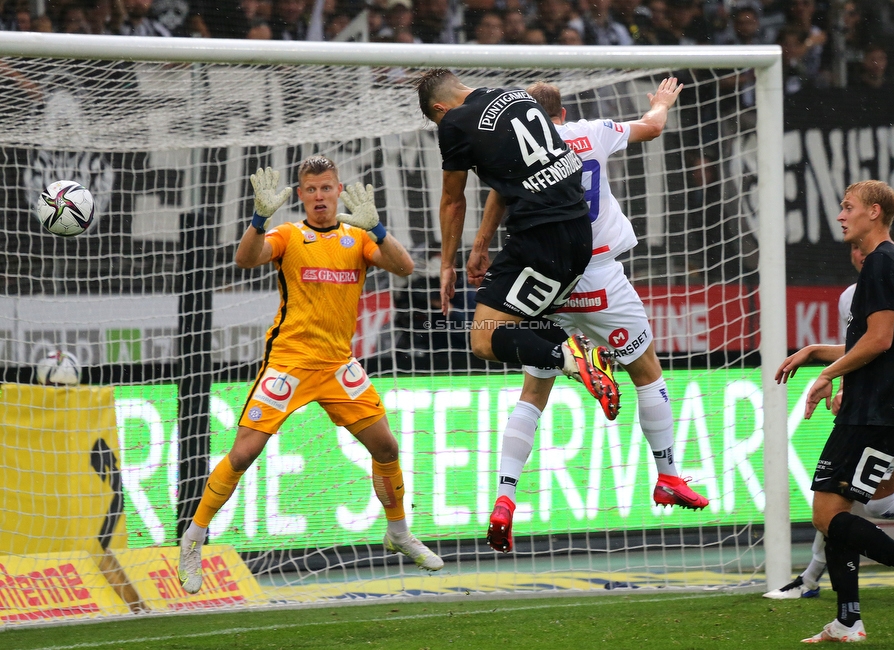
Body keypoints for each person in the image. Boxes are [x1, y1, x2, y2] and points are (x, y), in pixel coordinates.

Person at [178, 157, 442, 594]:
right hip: (289, 363)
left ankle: (398, 533)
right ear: (300, 196)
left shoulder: (357, 238)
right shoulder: (287, 235)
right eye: (311, 190)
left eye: (326, 188)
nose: (319, 197)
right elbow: (245, 260)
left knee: (386, 445)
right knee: (243, 454)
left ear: (339, 190)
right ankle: (193, 538)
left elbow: (405, 267)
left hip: (339, 365)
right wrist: (259, 218)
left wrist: (378, 229)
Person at [466, 78, 709, 553]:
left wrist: (479, 245)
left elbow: (497, 195)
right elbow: (653, 128)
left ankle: (504, 496)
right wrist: (660, 103)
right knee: (646, 372)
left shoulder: (516, 151)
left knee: (533, 392)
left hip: (549, 280)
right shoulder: (592, 131)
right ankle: (667, 475)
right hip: (600, 276)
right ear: (562, 113)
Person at [775, 180, 894, 642]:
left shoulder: (877, 264)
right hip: (886, 403)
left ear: (874, 212)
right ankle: (848, 620)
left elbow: (879, 341)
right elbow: (881, 338)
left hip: (875, 407)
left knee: (827, 515)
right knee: (838, 514)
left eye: (847, 207)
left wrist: (827, 374)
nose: (840, 215)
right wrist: (818, 352)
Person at [766, 242, 894, 602]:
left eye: (868, 248)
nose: (861, 254)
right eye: (854, 249)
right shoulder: (850, 296)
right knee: (877, 503)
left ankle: (812, 579)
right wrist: (843, 385)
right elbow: (858, 350)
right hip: (874, 405)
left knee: (836, 496)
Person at [417, 68, 621, 422]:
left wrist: (447, 264)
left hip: (540, 237)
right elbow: (512, 179)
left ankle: (573, 357)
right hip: (577, 233)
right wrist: (482, 245)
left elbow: (453, 200)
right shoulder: (517, 94)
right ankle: (585, 353)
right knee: (529, 320)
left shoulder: (454, 122)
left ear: (440, 109)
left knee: (483, 338)